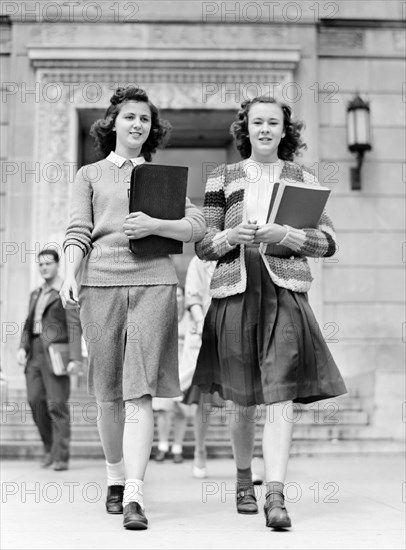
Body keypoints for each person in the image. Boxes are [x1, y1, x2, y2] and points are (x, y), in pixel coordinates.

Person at [192, 96, 347, 530]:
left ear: (284, 130)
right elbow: (202, 246)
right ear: (246, 128)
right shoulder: (222, 177)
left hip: (285, 293)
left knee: (281, 395)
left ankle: (275, 495)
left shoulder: (302, 177)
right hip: (235, 292)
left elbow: (329, 242)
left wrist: (289, 234)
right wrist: (229, 237)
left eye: (272, 123)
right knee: (241, 400)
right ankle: (245, 479)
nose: (264, 129)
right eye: (257, 122)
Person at [60, 85, 205, 530]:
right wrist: (70, 273)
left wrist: (157, 224)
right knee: (106, 393)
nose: (138, 124)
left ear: (151, 128)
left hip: (155, 284)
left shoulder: (160, 178)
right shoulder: (89, 174)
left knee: (138, 389)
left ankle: (136, 495)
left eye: (145, 118)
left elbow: (196, 224)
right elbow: (77, 230)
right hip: (99, 284)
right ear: (113, 123)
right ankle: (114, 477)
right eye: (129, 117)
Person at [16, 249, 82, 471]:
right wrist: (22, 348)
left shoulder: (66, 291)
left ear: (57, 265)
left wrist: (75, 359)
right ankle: (49, 447)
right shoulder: (35, 293)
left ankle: (61, 456)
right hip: (34, 353)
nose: (44, 267)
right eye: (40, 264)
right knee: (35, 402)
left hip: (55, 354)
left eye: (48, 264)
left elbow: (74, 326)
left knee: (57, 405)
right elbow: (28, 324)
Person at [152, 285, 191, 464]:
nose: (177, 298)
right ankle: (162, 446)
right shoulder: (161, 317)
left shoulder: (191, 319)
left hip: (186, 372)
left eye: (180, 295)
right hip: (165, 370)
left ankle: (177, 447)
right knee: (163, 411)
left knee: (181, 410)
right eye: (174, 295)